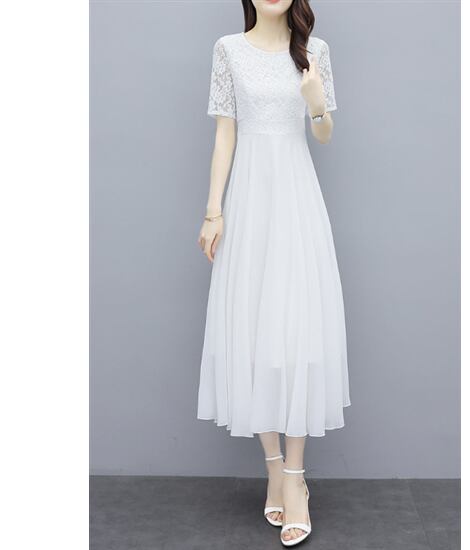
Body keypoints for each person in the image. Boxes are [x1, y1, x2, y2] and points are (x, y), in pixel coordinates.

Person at [197, 0, 350, 545]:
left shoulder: (315, 52)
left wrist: (316, 104)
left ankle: (296, 478)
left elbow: (324, 133)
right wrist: (214, 210)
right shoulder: (228, 51)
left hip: (296, 199)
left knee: (297, 330)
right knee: (253, 330)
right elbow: (225, 134)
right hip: (249, 203)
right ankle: (274, 469)